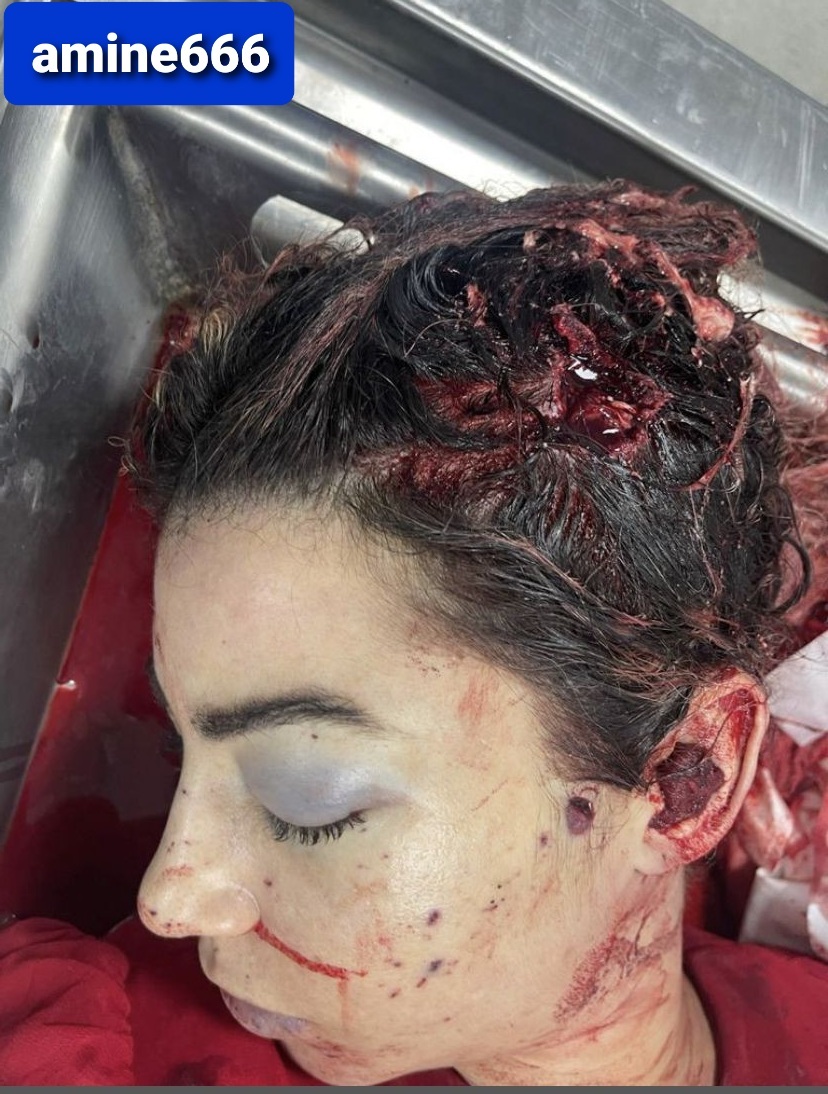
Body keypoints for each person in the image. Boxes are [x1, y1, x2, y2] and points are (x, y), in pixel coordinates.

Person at [2, 180, 828, 1086]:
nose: (168, 898)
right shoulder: (80, 1043)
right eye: (180, 750)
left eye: (307, 805)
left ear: (684, 777)